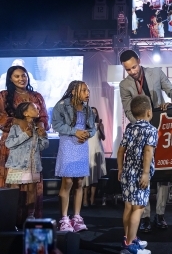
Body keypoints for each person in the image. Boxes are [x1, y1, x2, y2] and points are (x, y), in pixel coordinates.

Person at [119, 49, 172, 233]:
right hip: (141, 130)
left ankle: (160, 215)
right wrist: (143, 122)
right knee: (142, 174)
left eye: (134, 67)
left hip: (162, 129)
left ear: (139, 61)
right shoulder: (124, 85)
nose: (132, 71)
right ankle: (145, 217)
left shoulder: (156, 72)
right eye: (128, 69)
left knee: (162, 173)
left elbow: (171, 89)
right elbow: (128, 111)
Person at [0, 65, 49, 227]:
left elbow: (43, 117)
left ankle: (29, 221)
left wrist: (40, 126)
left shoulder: (37, 97)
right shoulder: (4, 96)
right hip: (12, 147)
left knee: (31, 188)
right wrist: (21, 123)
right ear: (10, 79)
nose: (22, 79)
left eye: (24, 75)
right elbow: (1, 118)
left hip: (32, 145)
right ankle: (10, 221)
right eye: (17, 76)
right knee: (13, 186)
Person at [52, 80, 95, 232]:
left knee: (80, 182)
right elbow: (56, 125)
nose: (87, 93)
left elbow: (92, 128)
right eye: (84, 90)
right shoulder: (62, 105)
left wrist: (87, 134)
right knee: (68, 181)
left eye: (88, 90)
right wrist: (75, 131)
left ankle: (77, 216)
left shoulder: (87, 109)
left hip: (82, 146)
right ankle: (64, 218)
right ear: (74, 91)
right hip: (68, 144)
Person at [117, 95, 158, 254]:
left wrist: (120, 169)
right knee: (139, 207)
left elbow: (121, 151)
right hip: (140, 173)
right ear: (149, 112)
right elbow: (148, 151)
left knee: (128, 206)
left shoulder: (130, 128)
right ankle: (129, 246)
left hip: (127, 172)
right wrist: (146, 173)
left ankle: (129, 238)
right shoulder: (151, 130)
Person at [5, 102, 49, 220]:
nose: (38, 109)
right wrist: (25, 134)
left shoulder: (36, 127)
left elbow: (42, 146)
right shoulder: (15, 127)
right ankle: (12, 215)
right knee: (14, 190)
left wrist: (43, 136)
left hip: (33, 165)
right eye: (34, 108)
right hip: (17, 164)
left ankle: (30, 215)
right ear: (25, 113)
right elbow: (9, 144)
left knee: (31, 190)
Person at [83, 107, 107, 207]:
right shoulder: (85, 125)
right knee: (88, 177)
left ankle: (92, 198)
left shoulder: (100, 124)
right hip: (88, 151)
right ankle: (85, 198)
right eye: (92, 113)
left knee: (95, 176)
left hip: (98, 150)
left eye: (95, 113)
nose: (94, 114)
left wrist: (100, 129)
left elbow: (103, 138)